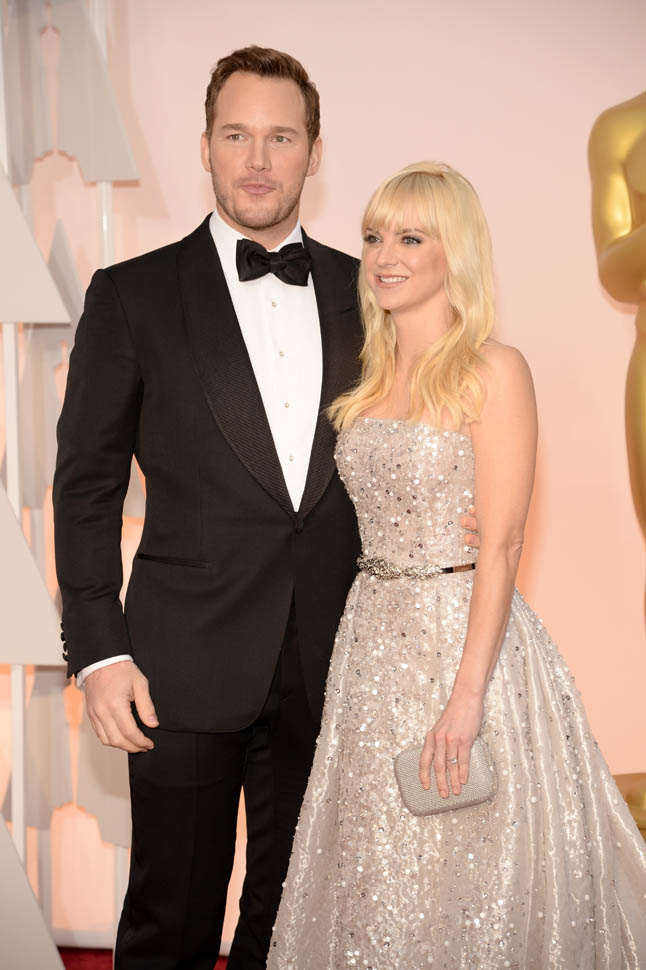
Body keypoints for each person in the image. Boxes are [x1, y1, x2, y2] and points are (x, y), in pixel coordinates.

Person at [52, 46, 482, 969]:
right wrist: (99, 652)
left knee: (298, 924)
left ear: (314, 153)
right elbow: (84, 488)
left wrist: (468, 509)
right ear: (205, 145)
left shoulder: (373, 290)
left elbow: (443, 407)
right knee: (171, 918)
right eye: (237, 135)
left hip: (339, 662)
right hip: (178, 663)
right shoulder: (131, 295)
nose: (257, 159)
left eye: (281, 138)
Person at [268, 161, 646, 970]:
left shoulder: (492, 369)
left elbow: (502, 544)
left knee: (471, 866)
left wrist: (466, 699)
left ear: (455, 252)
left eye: (411, 238)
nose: (384, 255)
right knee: (378, 869)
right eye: (374, 236)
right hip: (371, 647)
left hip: (465, 642)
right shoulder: (366, 380)